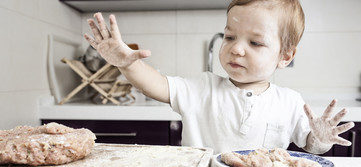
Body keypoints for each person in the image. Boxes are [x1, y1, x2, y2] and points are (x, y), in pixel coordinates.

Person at [84, 0, 354, 154]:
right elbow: (156, 86)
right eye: (230, 37)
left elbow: (311, 147)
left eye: (255, 43)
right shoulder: (203, 88)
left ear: (285, 56)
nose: (236, 48)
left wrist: (319, 139)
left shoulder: (290, 102)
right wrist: (126, 65)